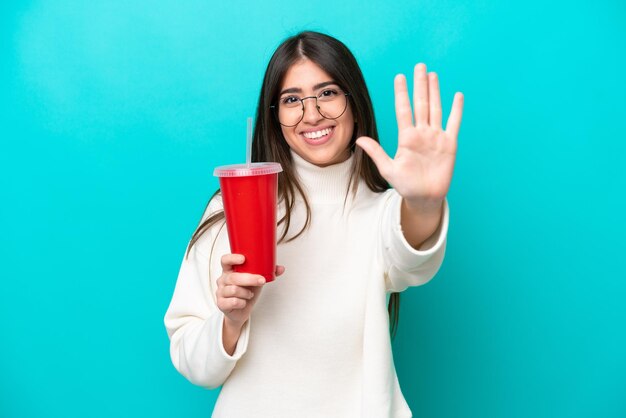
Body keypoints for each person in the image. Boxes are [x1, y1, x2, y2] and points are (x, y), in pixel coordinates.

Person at [164, 31, 463, 418]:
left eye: (327, 93)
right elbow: (194, 365)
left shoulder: (385, 213)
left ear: (354, 102)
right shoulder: (233, 211)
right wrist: (230, 321)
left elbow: (411, 256)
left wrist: (424, 202)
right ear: (275, 115)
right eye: (292, 100)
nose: (311, 114)